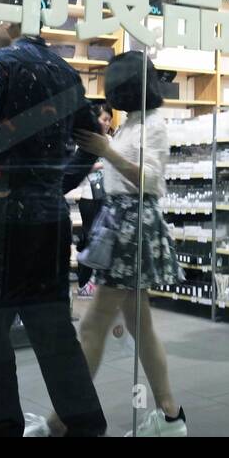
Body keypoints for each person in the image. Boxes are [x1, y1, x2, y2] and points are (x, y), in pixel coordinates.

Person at [0, 21, 106, 437]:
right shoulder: (65, 71)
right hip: (49, 222)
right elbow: (93, 137)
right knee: (55, 334)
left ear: (11, 22)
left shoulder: (1, 63)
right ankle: (87, 427)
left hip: (0, 224)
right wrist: (57, 185)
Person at [72, 51, 189, 435]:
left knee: (93, 325)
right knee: (140, 325)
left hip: (131, 222)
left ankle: (67, 419)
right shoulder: (133, 123)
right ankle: (170, 415)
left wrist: (106, 150)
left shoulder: (152, 125)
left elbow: (151, 181)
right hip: (123, 220)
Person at [70, 102, 113, 292]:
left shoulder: (110, 142)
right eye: (104, 119)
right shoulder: (84, 142)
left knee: (104, 240)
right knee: (89, 238)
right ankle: (84, 282)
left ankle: (98, 281)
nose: (107, 123)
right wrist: (101, 165)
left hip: (107, 195)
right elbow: (76, 169)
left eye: (109, 120)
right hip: (88, 196)